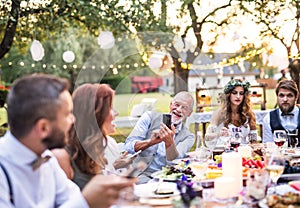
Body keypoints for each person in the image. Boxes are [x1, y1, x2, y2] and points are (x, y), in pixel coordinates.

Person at [0, 74, 135, 208]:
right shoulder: (3, 170)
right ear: (43, 128)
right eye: (67, 114)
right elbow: (79, 202)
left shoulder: (47, 160)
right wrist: (86, 201)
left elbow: (70, 198)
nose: (73, 120)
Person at [52, 83, 135, 189]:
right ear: (96, 114)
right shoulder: (63, 156)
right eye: (110, 108)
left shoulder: (100, 146)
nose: (116, 113)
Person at [124, 91, 195, 184]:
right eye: (176, 104)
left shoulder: (188, 136)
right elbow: (128, 145)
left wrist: (169, 142)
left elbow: (174, 162)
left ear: (189, 113)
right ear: (170, 104)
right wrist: (151, 142)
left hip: (168, 179)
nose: (178, 110)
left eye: (184, 108)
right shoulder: (149, 117)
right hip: (140, 175)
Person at [204, 79, 258, 146]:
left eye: (241, 93)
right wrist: (219, 134)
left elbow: (254, 141)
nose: (238, 96)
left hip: (244, 152)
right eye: (234, 93)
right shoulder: (220, 113)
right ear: (228, 95)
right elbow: (207, 138)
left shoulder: (249, 114)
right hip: (225, 153)